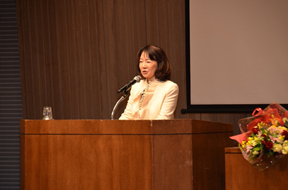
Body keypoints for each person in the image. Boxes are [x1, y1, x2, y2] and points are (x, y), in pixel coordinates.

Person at [119, 45, 179, 120]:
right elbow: (127, 115)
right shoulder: (136, 86)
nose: (143, 66)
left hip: (158, 131)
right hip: (135, 131)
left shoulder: (170, 87)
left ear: (159, 64)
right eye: (141, 61)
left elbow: (164, 118)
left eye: (148, 62)